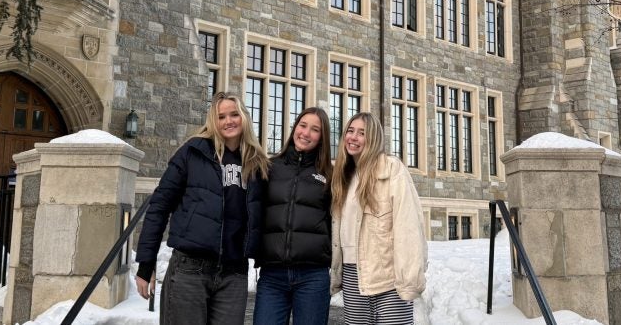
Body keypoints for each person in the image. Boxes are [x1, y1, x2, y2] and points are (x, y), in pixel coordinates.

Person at [135, 92, 271, 325]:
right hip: (190, 270)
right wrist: (146, 264)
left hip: (234, 274)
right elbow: (159, 206)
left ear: (244, 118)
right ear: (213, 121)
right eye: (221, 116)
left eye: (234, 114)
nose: (228, 121)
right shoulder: (192, 153)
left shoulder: (257, 164)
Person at [330, 112, 427, 324]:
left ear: (373, 138)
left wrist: (409, 280)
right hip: (351, 274)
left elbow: (408, 226)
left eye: (361, 133)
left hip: (388, 277)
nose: (353, 137)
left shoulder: (391, 169)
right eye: (350, 131)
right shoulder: (342, 176)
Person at [253, 107, 334, 325]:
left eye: (315, 130)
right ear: (295, 127)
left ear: (322, 137)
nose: (306, 133)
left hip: (313, 276)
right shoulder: (269, 168)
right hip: (272, 275)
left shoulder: (330, 176)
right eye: (303, 125)